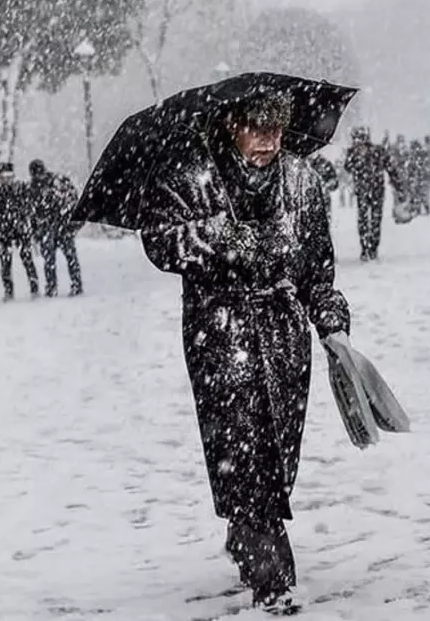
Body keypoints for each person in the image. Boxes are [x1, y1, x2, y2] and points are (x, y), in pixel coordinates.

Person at [139, 93, 350, 612]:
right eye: (256, 129)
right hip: (220, 334)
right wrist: (223, 237)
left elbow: (317, 267)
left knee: (277, 457)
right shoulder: (193, 176)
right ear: (231, 126)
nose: (267, 142)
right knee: (244, 451)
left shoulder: (302, 181)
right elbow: (161, 241)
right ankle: (272, 577)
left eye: (275, 130)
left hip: (283, 338)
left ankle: (245, 528)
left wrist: (332, 322)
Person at [0, 162, 39, 301]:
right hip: (2, 231)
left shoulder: (21, 188)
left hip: (20, 229)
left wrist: (28, 221)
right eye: (3, 176)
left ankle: (34, 288)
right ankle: (8, 291)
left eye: (9, 176)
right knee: (5, 263)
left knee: (27, 259)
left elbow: (32, 206)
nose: (7, 179)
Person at [343, 127, 402, 261]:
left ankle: (371, 248)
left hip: (373, 191)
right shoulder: (357, 152)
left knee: (372, 220)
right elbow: (348, 167)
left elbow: (390, 169)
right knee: (367, 220)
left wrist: (398, 186)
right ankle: (367, 248)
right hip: (367, 191)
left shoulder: (378, 151)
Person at [28, 159, 83, 297]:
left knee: (62, 259)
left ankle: (68, 285)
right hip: (51, 228)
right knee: (53, 260)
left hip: (58, 227)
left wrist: (72, 223)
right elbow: (32, 213)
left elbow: (72, 201)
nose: (38, 176)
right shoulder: (36, 187)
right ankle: (57, 286)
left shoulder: (55, 183)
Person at [406, 139, 430, 216]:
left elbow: (412, 166)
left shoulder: (417, 156)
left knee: (418, 193)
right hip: (420, 177)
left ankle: (419, 209)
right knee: (420, 193)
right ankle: (421, 208)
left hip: (419, 177)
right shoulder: (420, 155)